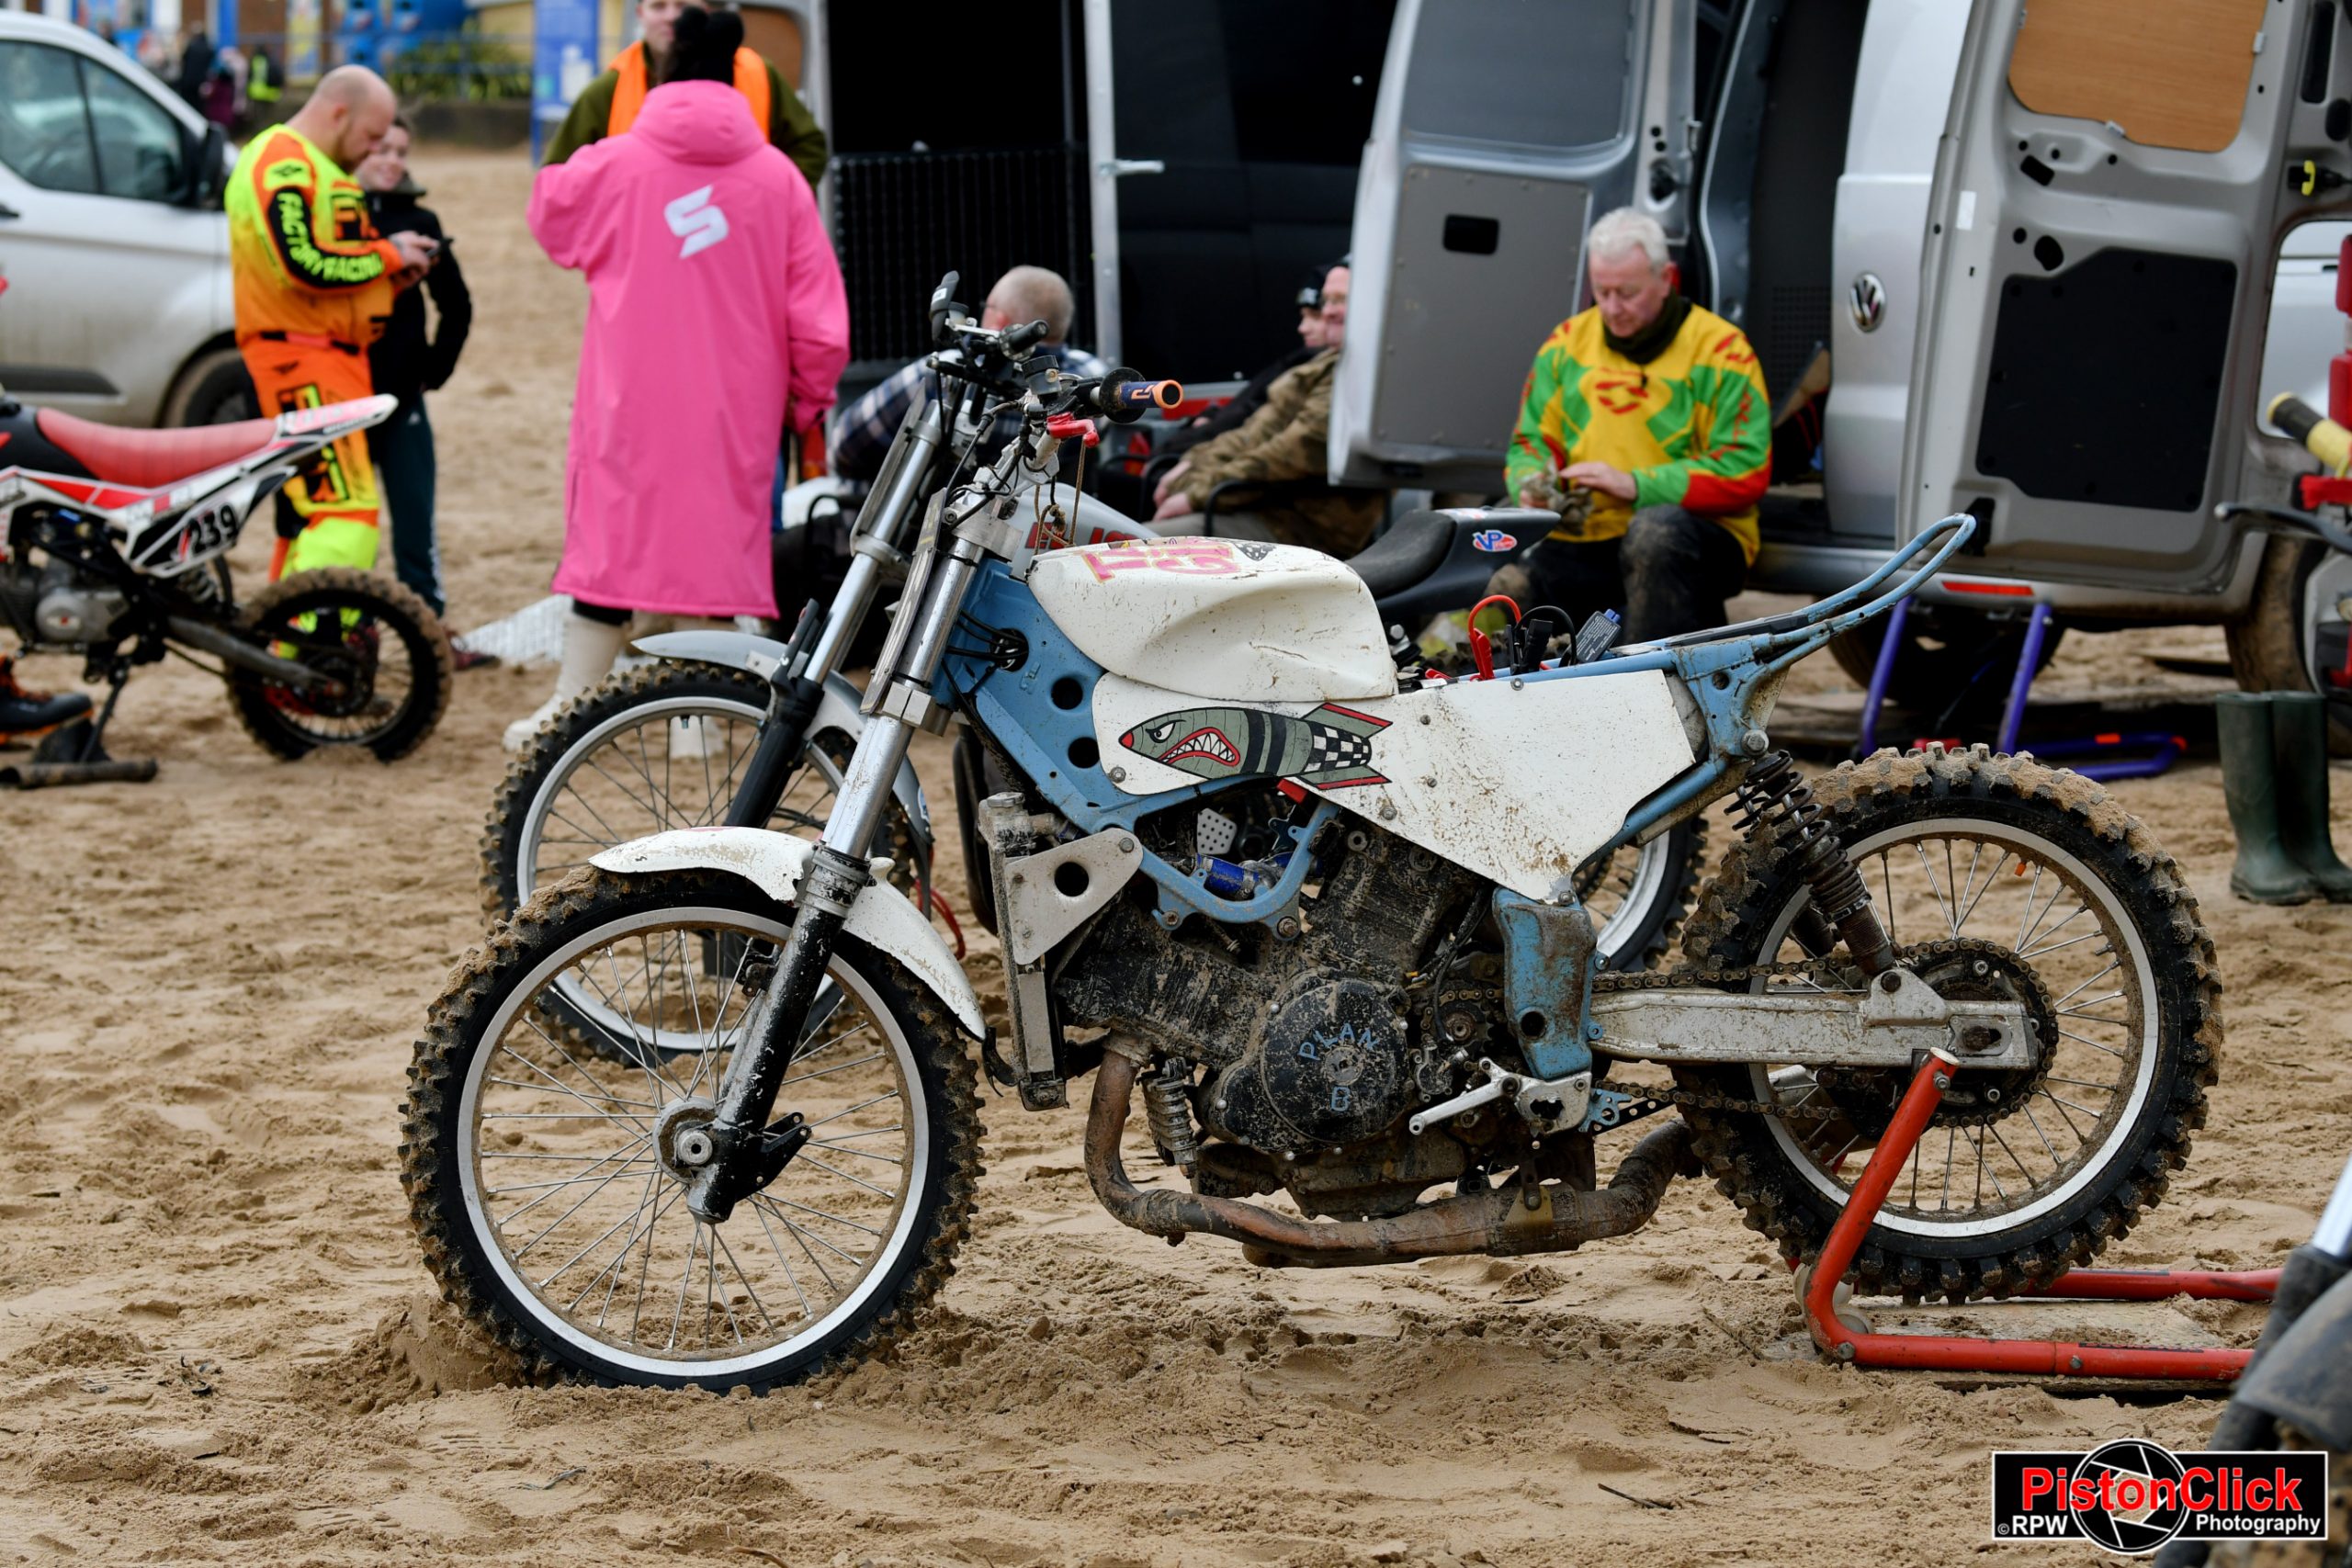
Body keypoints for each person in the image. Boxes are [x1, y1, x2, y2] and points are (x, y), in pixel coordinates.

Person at [513, 5, 848, 750]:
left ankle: (571, 705)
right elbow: (821, 323)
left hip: (625, 397)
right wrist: (809, 399)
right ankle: (699, 717)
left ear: (661, 77)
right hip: (739, 405)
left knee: (609, 543)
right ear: (735, 78)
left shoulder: (615, 165)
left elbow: (548, 208)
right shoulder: (779, 181)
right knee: (718, 549)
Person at [1501, 207, 1770, 644]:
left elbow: (1745, 470)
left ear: (1667, 279)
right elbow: (1532, 440)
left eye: (1626, 293)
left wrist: (1636, 484)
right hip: (1592, 534)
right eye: (1601, 292)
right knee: (1506, 582)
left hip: (1698, 537)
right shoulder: (1566, 345)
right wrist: (1530, 484)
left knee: (1654, 535)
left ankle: (1652, 695)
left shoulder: (1722, 350)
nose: (1611, 308)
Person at [225, 66, 437, 581]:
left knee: (311, 515)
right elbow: (302, 263)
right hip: (303, 364)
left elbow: (329, 266)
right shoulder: (283, 163)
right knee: (346, 513)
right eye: (370, 137)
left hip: (331, 363)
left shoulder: (315, 168)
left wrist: (388, 281)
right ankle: (308, 649)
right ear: (338, 114)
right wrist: (388, 254)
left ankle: (280, 643)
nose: (372, 152)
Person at [1148, 263, 1383, 556]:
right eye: (1327, 301)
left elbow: (1290, 454)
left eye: (1342, 300)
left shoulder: (1363, 374)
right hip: (1262, 512)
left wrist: (1196, 493)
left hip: (1297, 531)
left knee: (1137, 550)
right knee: (1128, 535)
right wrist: (1194, 463)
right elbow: (1252, 433)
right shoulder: (1328, 363)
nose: (1329, 311)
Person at [827, 265, 1106, 500]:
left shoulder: (949, 372)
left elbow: (844, 448)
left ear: (1001, 320)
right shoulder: (1090, 376)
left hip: (917, 539)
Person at [355, 115, 474, 638]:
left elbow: (458, 305)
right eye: (380, 148)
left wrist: (434, 370)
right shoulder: (337, 219)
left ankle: (430, 626)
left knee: (414, 515)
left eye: (401, 151)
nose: (390, 160)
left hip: (403, 397)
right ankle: (345, 626)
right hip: (340, 400)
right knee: (347, 524)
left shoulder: (422, 220)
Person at [540, 0, 827, 186]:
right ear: (640, 13)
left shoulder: (758, 74)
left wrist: (776, 202)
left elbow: (808, 146)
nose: (671, 18)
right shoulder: (608, 90)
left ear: (705, 11)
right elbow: (558, 177)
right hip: (647, 255)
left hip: (741, 246)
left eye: (682, 6)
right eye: (659, 6)